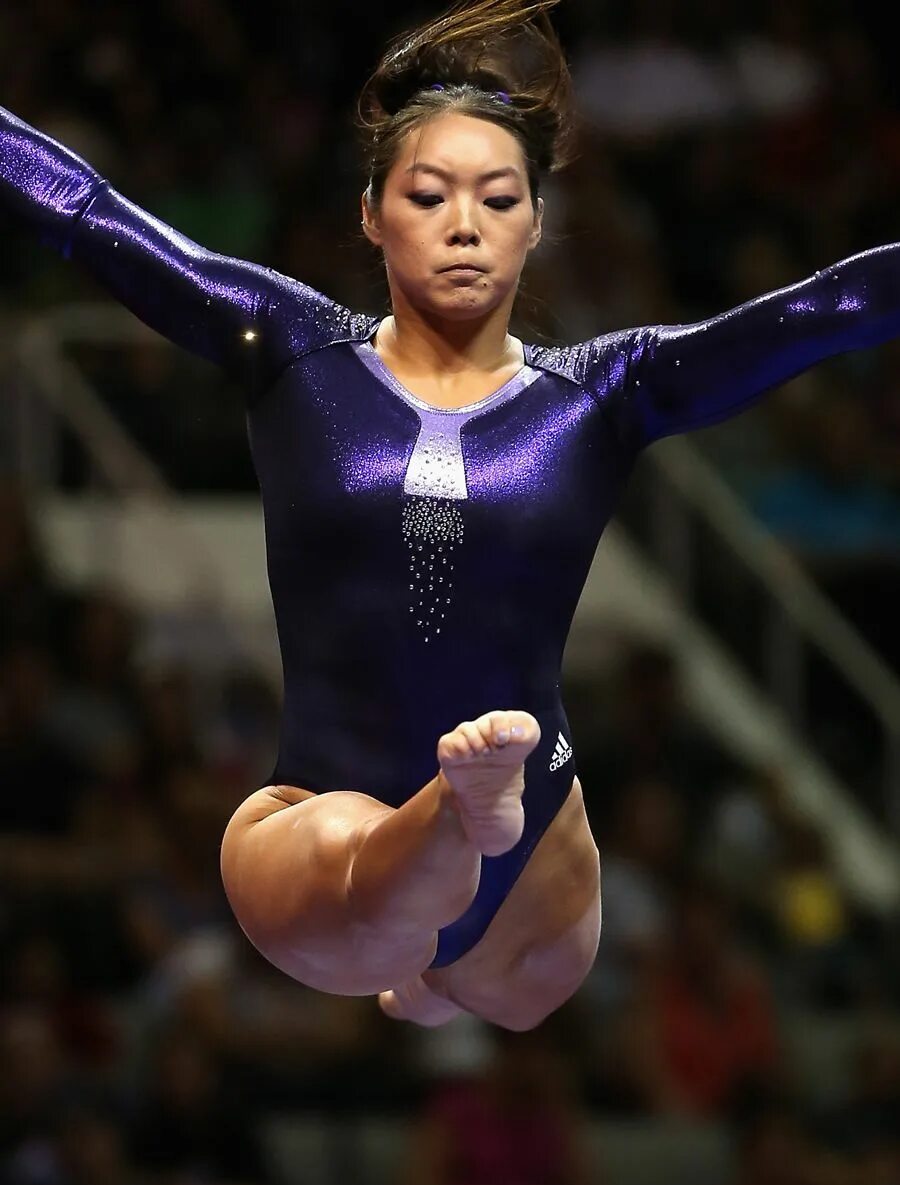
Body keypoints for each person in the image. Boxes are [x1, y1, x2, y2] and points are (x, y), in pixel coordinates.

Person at [3, 0, 900, 1033]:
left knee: (511, 992)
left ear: (536, 222)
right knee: (360, 901)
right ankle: (448, 824)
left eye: (497, 197)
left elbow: (825, 306)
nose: (464, 224)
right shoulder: (294, 351)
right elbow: (86, 212)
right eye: (428, 195)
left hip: (533, 869)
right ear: (373, 213)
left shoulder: (602, 396)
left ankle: (448, 901)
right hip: (327, 822)